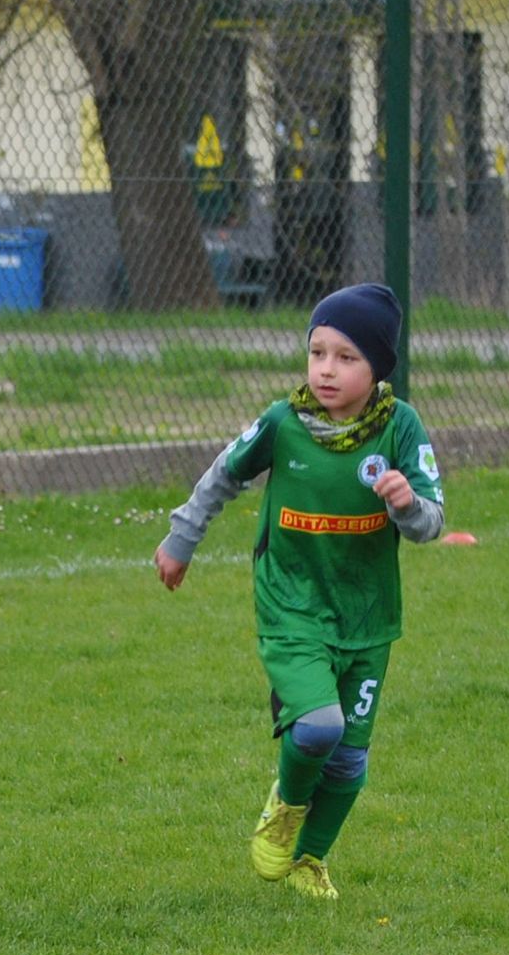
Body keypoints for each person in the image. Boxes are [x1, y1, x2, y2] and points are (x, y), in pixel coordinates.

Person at [156, 282, 444, 899]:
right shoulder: (283, 422)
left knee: (350, 763)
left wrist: (406, 503)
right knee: (317, 729)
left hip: (367, 615)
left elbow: (432, 522)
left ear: (378, 368)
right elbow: (222, 475)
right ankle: (285, 808)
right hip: (291, 604)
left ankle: (308, 860)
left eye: (347, 357)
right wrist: (182, 540)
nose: (327, 370)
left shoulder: (400, 427)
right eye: (318, 353)